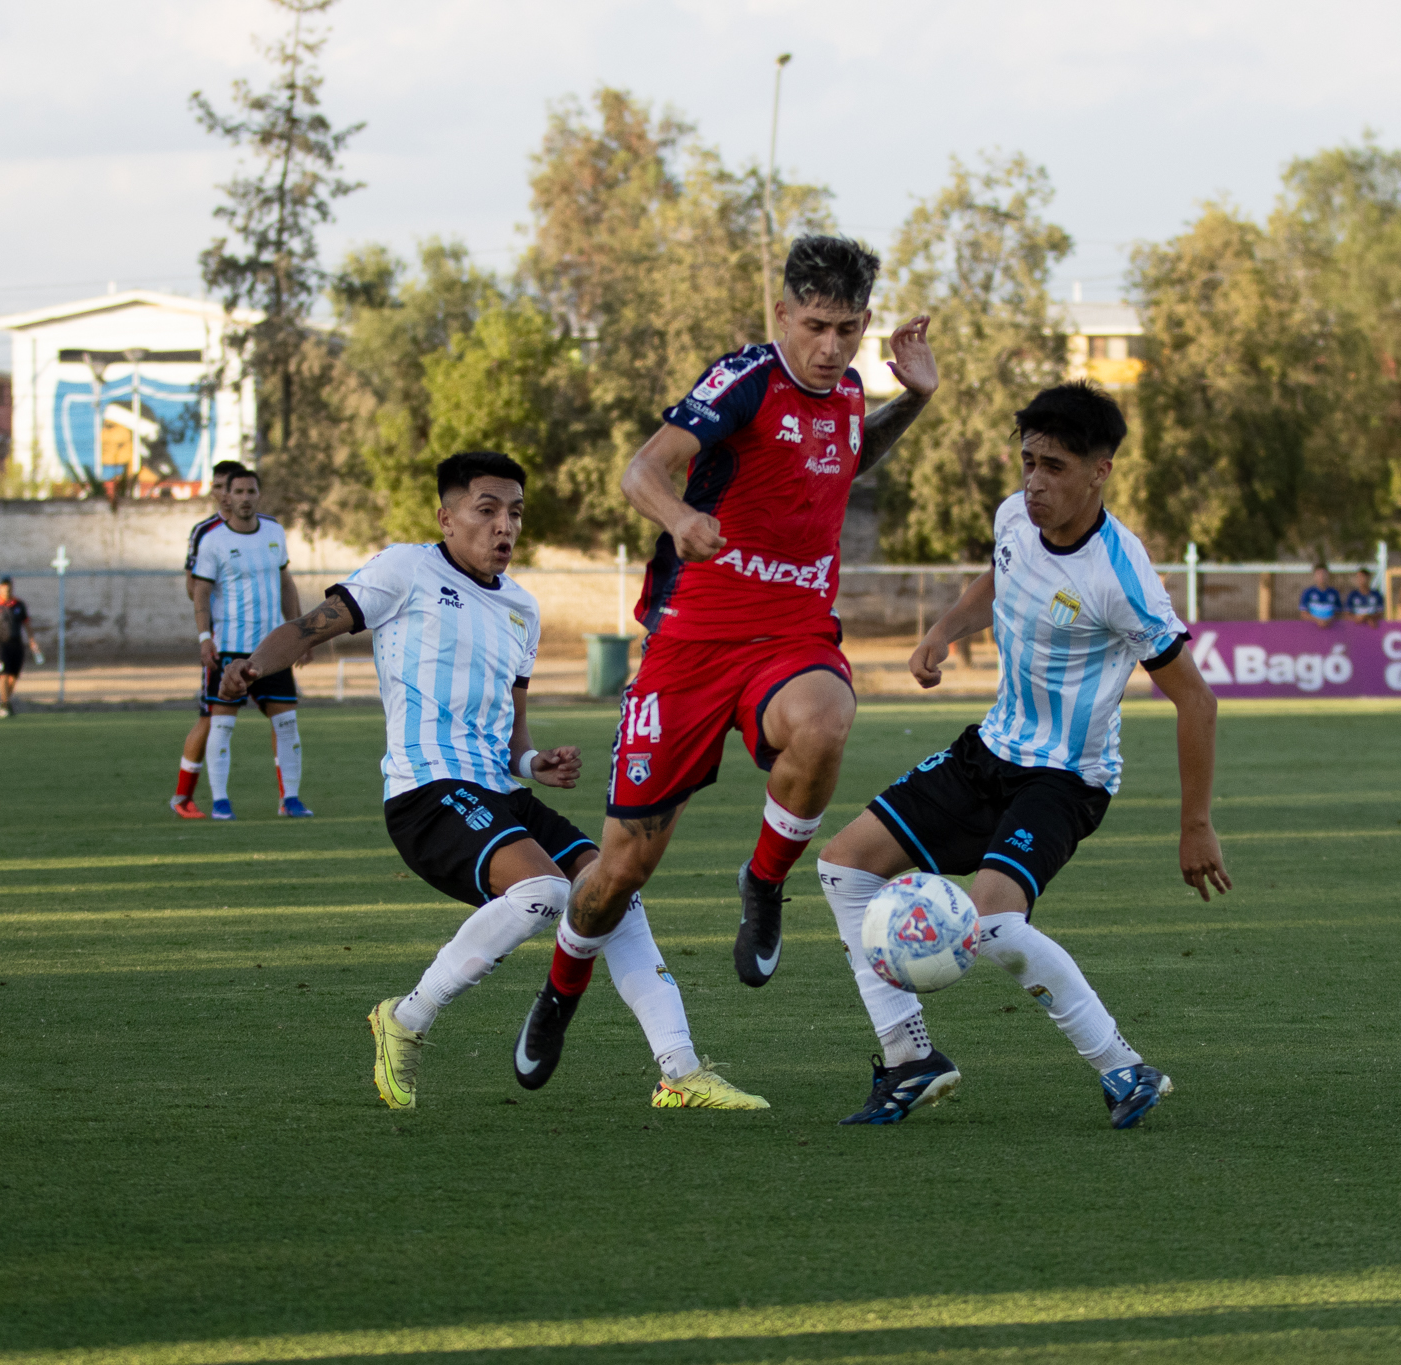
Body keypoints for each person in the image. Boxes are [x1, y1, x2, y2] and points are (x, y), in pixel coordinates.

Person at [511, 234, 940, 1091]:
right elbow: (642, 470)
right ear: (781, 313)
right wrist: (678, 518)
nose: (831, 347)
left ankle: (765, 878)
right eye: (815, 325)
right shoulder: (744, 379)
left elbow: (846, 458)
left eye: (848, 329)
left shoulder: (849, 391)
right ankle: (562, 985)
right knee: (620, 869)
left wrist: (913, 400)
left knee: (826, 720)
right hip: (690, 649)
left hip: (794, 636)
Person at [220, 450, 767, 1111]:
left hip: (499, 792)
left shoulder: (522, 610)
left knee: (613, 887)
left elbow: (513, 739)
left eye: (514, 513)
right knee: (542, 891)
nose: (503, 526)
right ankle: (406, 1017)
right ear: (447, 517)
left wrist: (536, 765)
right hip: (425, 793)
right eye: (486, 511)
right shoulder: (405, 569)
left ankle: (679, 1071)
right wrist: (251, 668)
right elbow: (308, 627)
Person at [815, 383, 1231, 1128]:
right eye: (1028, 461)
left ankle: (1122, 1068)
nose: (1036, 481)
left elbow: (1195, 700)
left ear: (1100, 470)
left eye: (1056, 467)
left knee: (995, 924)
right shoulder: (1015, 513)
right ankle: (909, 1058)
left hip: (1067, 777)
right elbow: (1001, 575)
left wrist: (1194, 823)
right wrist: (944, 630)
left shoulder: (1121, 576)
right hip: (988, 750)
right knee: (842, 865)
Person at [192, 466, 311, 818]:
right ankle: (220, 802)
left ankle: (290, 800)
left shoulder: (274, 531)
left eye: (251, 492)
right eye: (238, 492)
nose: (245, 498)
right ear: (226, 496)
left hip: (271, 649)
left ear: (258, 494)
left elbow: (286, 583)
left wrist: (301, 634)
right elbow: (200, 592)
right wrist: (204, 637)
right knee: (222, 724)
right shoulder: (213, 540)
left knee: (287, 723)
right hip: (229, 648)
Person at [171, 460, 249, 818]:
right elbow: (194, 587)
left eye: (227, 486)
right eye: (216, 487)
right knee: (209, 717)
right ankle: (183, 797)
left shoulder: (261, 530)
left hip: (256, 638)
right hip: (223, 639)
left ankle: (289, 799)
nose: (223, 494)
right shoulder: (205, 532)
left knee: (284, 716)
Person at [0, 576, 44, 717]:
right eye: (3, 586)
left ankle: (3, 703)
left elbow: (27, 625)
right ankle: (6, 705)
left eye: (8, 586)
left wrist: (32, 641)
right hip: (0, 644)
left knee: (13, 677)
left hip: (16, 644)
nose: (6, 589)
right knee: (4, 674)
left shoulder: (19, 605)